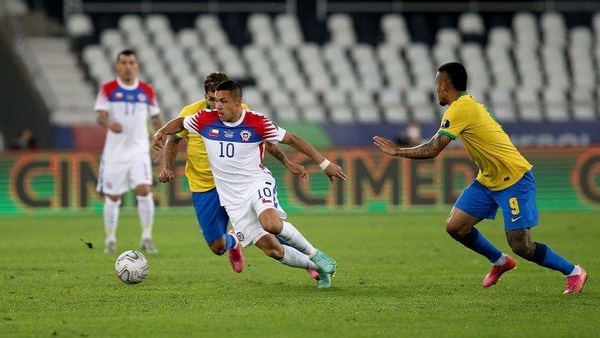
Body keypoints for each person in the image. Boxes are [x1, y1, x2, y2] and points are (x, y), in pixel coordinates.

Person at [373, 62, 587, 294]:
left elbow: (432, 149)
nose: (436, 89)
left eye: (436, 84)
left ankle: (573, 271)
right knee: (455, 227)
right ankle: (499, 261)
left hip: (514, 179)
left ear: (443, 85)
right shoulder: (466, 105)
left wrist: (398, 152)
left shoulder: (460, 108)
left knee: (521, 245)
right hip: (487, 180)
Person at [153, 80, 347, 288]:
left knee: (271, 224)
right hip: (232, 198)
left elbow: (292, 139)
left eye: (223, 101)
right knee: (273, 250)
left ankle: (316, 255)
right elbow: (181, 123)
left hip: (256, 183)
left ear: (238, 102)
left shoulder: (257, 123)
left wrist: (324, 163)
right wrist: (161, 131)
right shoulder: (204, 119)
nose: (217, 106)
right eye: (216, 101)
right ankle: (318, 268)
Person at [94, 49, 164, 254]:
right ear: (117, 66)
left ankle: (147, 236)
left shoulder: (146, 91)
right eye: (123, 62)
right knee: (113, 197)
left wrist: (161, 140)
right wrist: (108, 123)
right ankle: (110, 238)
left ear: (137, 66)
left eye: (131, 62)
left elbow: (155, 118)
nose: (127, 66)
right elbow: (100, 115)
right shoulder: (108, 89)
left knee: (144, 190)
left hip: (139, 150)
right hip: (114, 153)